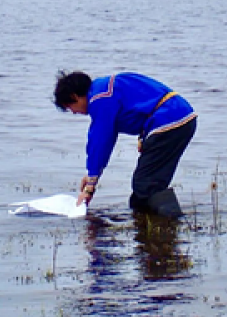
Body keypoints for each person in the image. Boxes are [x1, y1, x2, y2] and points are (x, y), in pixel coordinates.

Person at [53, 71, 197, 217]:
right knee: (143, 190)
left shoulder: (100, 98)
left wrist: (91, 184)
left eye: (69, 107)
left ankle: (173, 222)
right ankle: (148, 226)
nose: (73, 113)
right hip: (178, 118)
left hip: (170, 120)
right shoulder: (104, 89)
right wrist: (91, 174)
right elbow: (142, 107)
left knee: (146, 184)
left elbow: (101, 139)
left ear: (75, 97)